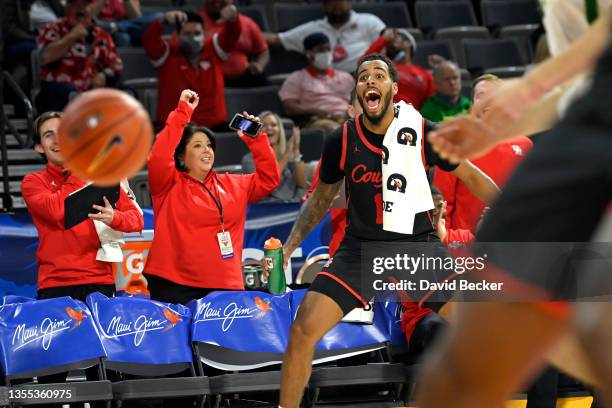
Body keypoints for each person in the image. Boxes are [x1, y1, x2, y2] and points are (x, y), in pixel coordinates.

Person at [273, 54, 500, 408]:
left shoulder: (423, 130)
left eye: (379, 75)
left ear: (393, 88)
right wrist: (288, 247)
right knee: (302, 331)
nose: (370, 81)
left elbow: (470, 176)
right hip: (361, 250)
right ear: (359, 91)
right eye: (363, 77)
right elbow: (320, 200)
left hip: (417, 247)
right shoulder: (342, 140)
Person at [416, 7, 612, 408]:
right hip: (586, 127)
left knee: (598, 336)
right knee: (458, 371)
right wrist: (494, 127)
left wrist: (521, 95)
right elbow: (586, 80)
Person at [143, 89, 280, 305]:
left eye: (209, 145)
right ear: (181, 156)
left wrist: (257, 141)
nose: (207, 150)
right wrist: (182, 113)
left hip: (225, 285)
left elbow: (269, 179)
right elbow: (159, 155)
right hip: (174, 284)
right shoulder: (168, 183)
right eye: (197, 145)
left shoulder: (233, 184)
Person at [21, 111, 144, 301]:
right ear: (39, 147)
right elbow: (57, 211)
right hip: (55, 284)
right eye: (48, 135)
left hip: (99, 281)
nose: (57, 140)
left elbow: (137, 220)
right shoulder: (33, 182)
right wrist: (80, 173)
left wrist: (115, 218)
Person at [433, 74, 533, 231]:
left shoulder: (525, 145)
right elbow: (442, 202)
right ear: (473, 104)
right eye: (481, 96)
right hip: (465, 246)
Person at [143, 8, 241, 129]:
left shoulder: (215, 49)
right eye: (187, 34)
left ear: (204, 34)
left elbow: (233, 34)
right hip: (176, 128)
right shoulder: (165, 54)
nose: (193, 38)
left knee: (252, 127)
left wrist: (233, 19)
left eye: (197, 33)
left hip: (215, 126)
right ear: (177, 35)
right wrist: (162, 21)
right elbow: (149, 40)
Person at [35, 0, 123, 113]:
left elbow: (117, 65)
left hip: (92, 91)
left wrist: (104, 75)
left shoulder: (101, 34)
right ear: (66, 7)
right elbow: (45, 57)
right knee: (67, 91)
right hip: (59, 91)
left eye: (85, 5)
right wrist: (71, 37)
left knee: (127, 92)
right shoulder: (54, 28)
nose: (81, 9)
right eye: (76, 4)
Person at [265, 0, 385, 73]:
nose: (336, 5)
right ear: (324, 6)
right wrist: (246, 26)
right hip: (328, 82)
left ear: (349, 3)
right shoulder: (313, 28)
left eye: (340, 1)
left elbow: (390, 41)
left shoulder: (369, 21)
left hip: (365, 76)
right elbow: (277, 39)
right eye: (331, 2)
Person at [279, 32, 355, 134]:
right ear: (308, 54)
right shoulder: (296, 78)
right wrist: (315, 111)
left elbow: (358, 101)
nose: (326, 53)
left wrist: (348, 114)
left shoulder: (346, 77)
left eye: (328, 49)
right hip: (318, 120)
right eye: (321, 50)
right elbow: (289, 107)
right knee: (335, 130)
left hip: (347, 117)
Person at [199, 0, 269, 86]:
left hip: (244, 78)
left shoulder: (248, 23)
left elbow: (263, 50)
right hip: (209, 78)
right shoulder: (195, 25)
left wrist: (259, 65)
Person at [241, 111, 307, 202]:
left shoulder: (287, 155)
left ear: (280, 130)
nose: (269, 128)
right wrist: (286, 155)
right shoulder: (249, 159)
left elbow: (302, 183)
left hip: (293, 203)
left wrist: (296, 150)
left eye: (274, 125)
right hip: (269, 206)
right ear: (257, 130)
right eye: (264, 125)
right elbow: (262, 189)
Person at [363, 28, 435, 109]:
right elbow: (363, 64)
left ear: (407, 43)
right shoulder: (383, 66)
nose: (390, 42)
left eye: (395, 37)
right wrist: (383, 39)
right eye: (388, 41)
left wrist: (439, 68)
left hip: (412, 116)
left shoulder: (424, 74)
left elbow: (433, 101)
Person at [90, 0, 161, 46]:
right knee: (124, 38)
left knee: (158, 16)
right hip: (101, 25)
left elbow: (137, 18)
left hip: (127, 26)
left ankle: (115, 26)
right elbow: (90, 16)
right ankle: (115, 26)